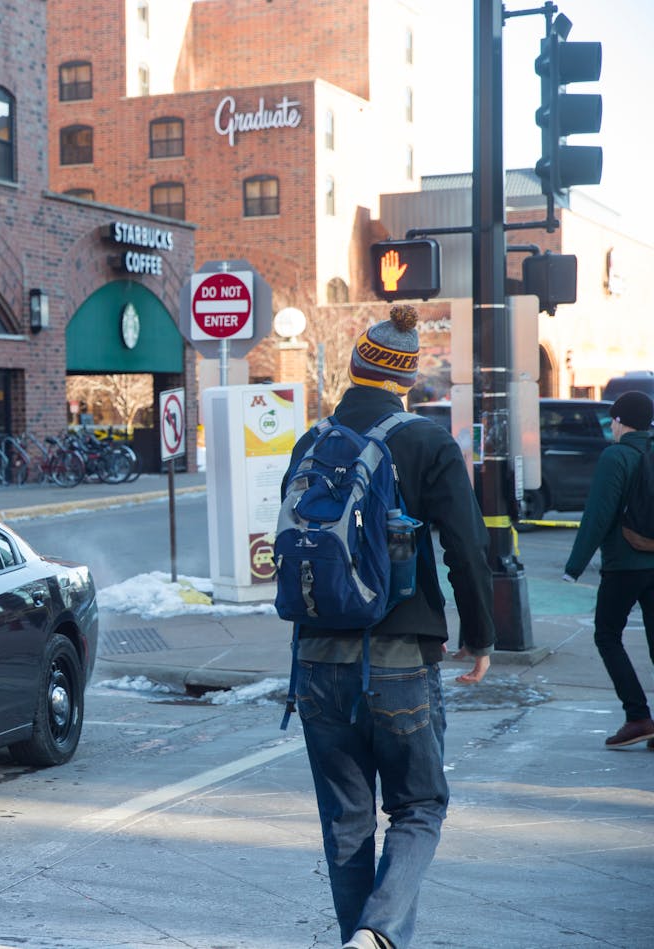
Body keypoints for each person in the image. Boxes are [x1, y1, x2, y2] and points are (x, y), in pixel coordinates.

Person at [284, 304, 495, 949]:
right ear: (407, 378)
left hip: (316, 657)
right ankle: (377, 934)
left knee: (346, 824)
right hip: (402, 653)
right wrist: (480, 634)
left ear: (353, 367)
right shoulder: (427, 442)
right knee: (419, 806)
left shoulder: (313, 440)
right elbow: (465, 545)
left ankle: (361, 938)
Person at [561, 390, 654, 749]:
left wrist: (575, 567)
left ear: (619, 422)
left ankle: (637, 716)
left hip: (624, 564)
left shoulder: (616, 456)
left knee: (607, 634)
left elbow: (598, 516)